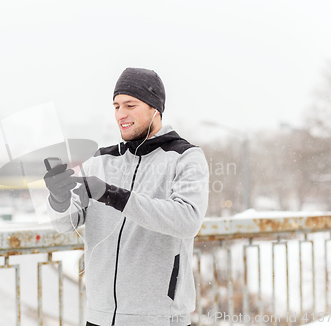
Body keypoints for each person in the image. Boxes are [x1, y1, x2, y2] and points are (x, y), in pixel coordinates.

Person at [44, 67, 209, 326]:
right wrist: (58, 198)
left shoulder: (185, 157)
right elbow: (65, 223)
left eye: (130, 105)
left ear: (155, 108)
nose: (121, 114)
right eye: (116, 106)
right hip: (99, 316)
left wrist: (113, 195)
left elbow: (187, 220)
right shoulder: (101, 159)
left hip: (159, 319)